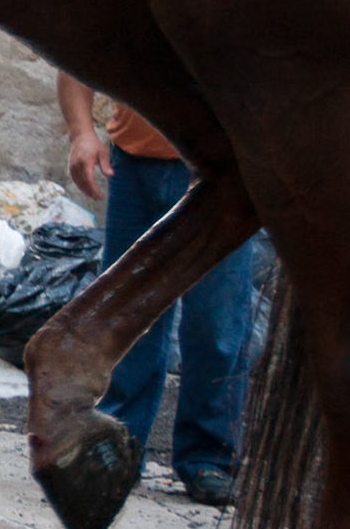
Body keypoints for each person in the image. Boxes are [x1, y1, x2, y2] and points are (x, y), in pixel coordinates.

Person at [56, 75, 252, 506]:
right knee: (127, 319)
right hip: (135, 166)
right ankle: (118, 448)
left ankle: (209, 459)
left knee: (217, 323)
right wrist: (82, 132)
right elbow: (76, 60)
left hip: (223, 171)